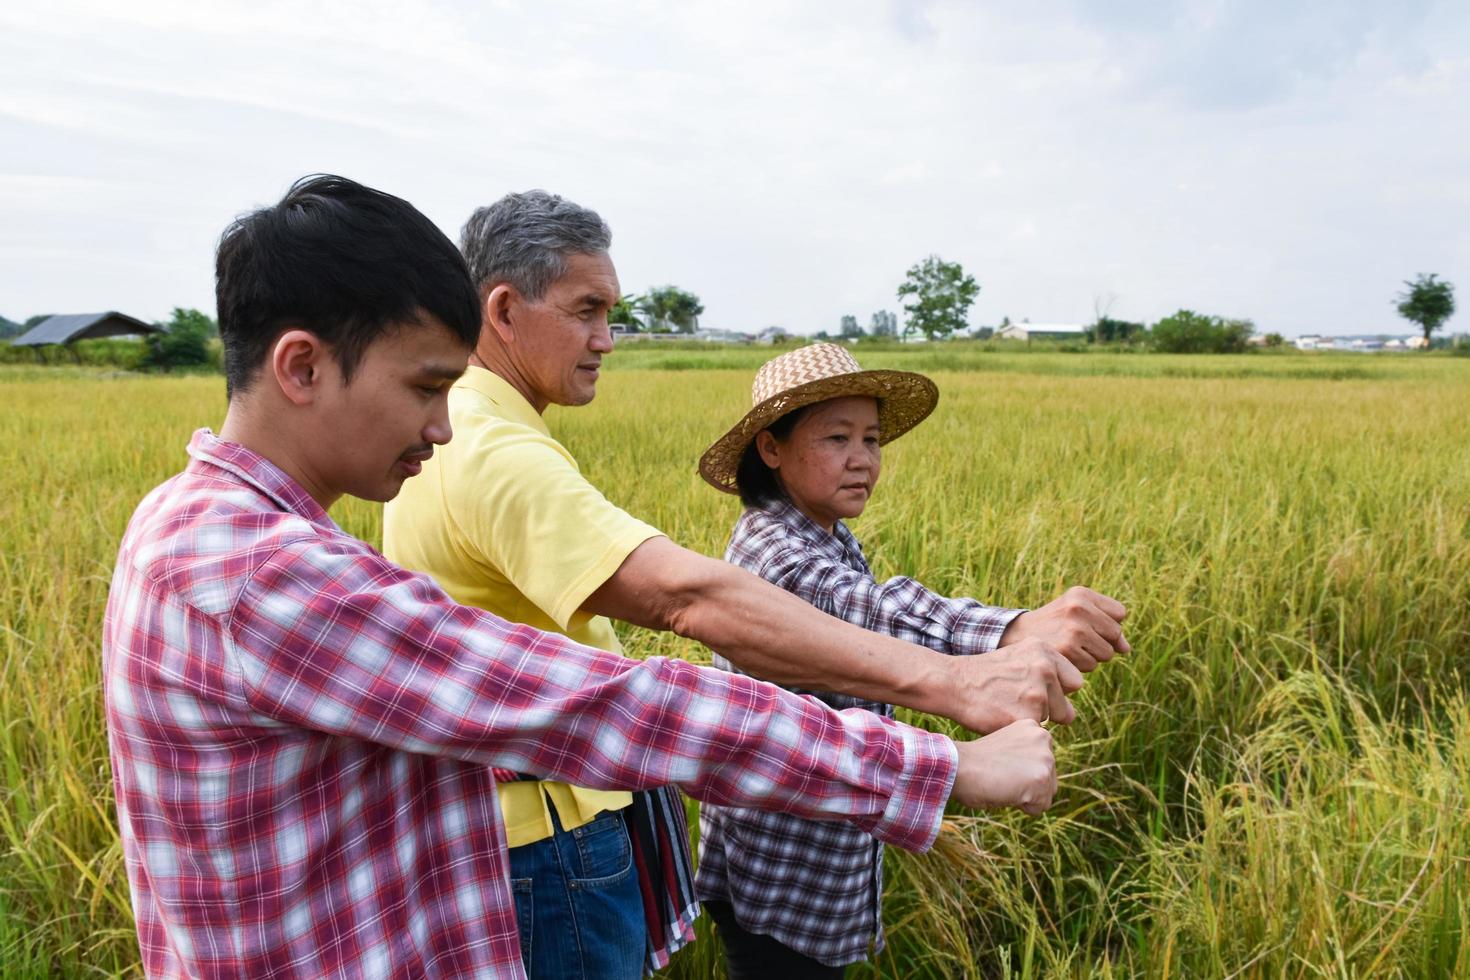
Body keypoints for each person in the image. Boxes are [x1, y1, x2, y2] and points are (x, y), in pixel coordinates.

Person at [102, 175, 1061, 980]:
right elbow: (612, 700)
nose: (439, 427)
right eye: (425, 387)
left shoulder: (186, 520)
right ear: (302, 368)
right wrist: (944, 762)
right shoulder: (264, 578)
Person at [382, 190, 1129, 977]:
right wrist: (967, 672)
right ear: (503, 309)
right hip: (551, 841)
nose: (608, 337)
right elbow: (692, 598)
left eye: (867, 438)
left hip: (536, 825)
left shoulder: (469, 429)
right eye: (587, 309)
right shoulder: (494, 448)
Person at [692, 343, 1129, 978]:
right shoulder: (776, 552)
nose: (863, 460)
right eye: (837, 437)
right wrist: (1014, 629)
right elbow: (867, 609)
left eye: (872, 439)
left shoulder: (821, 528)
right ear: (771, 448)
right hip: (783, 867)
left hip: (817, 842)